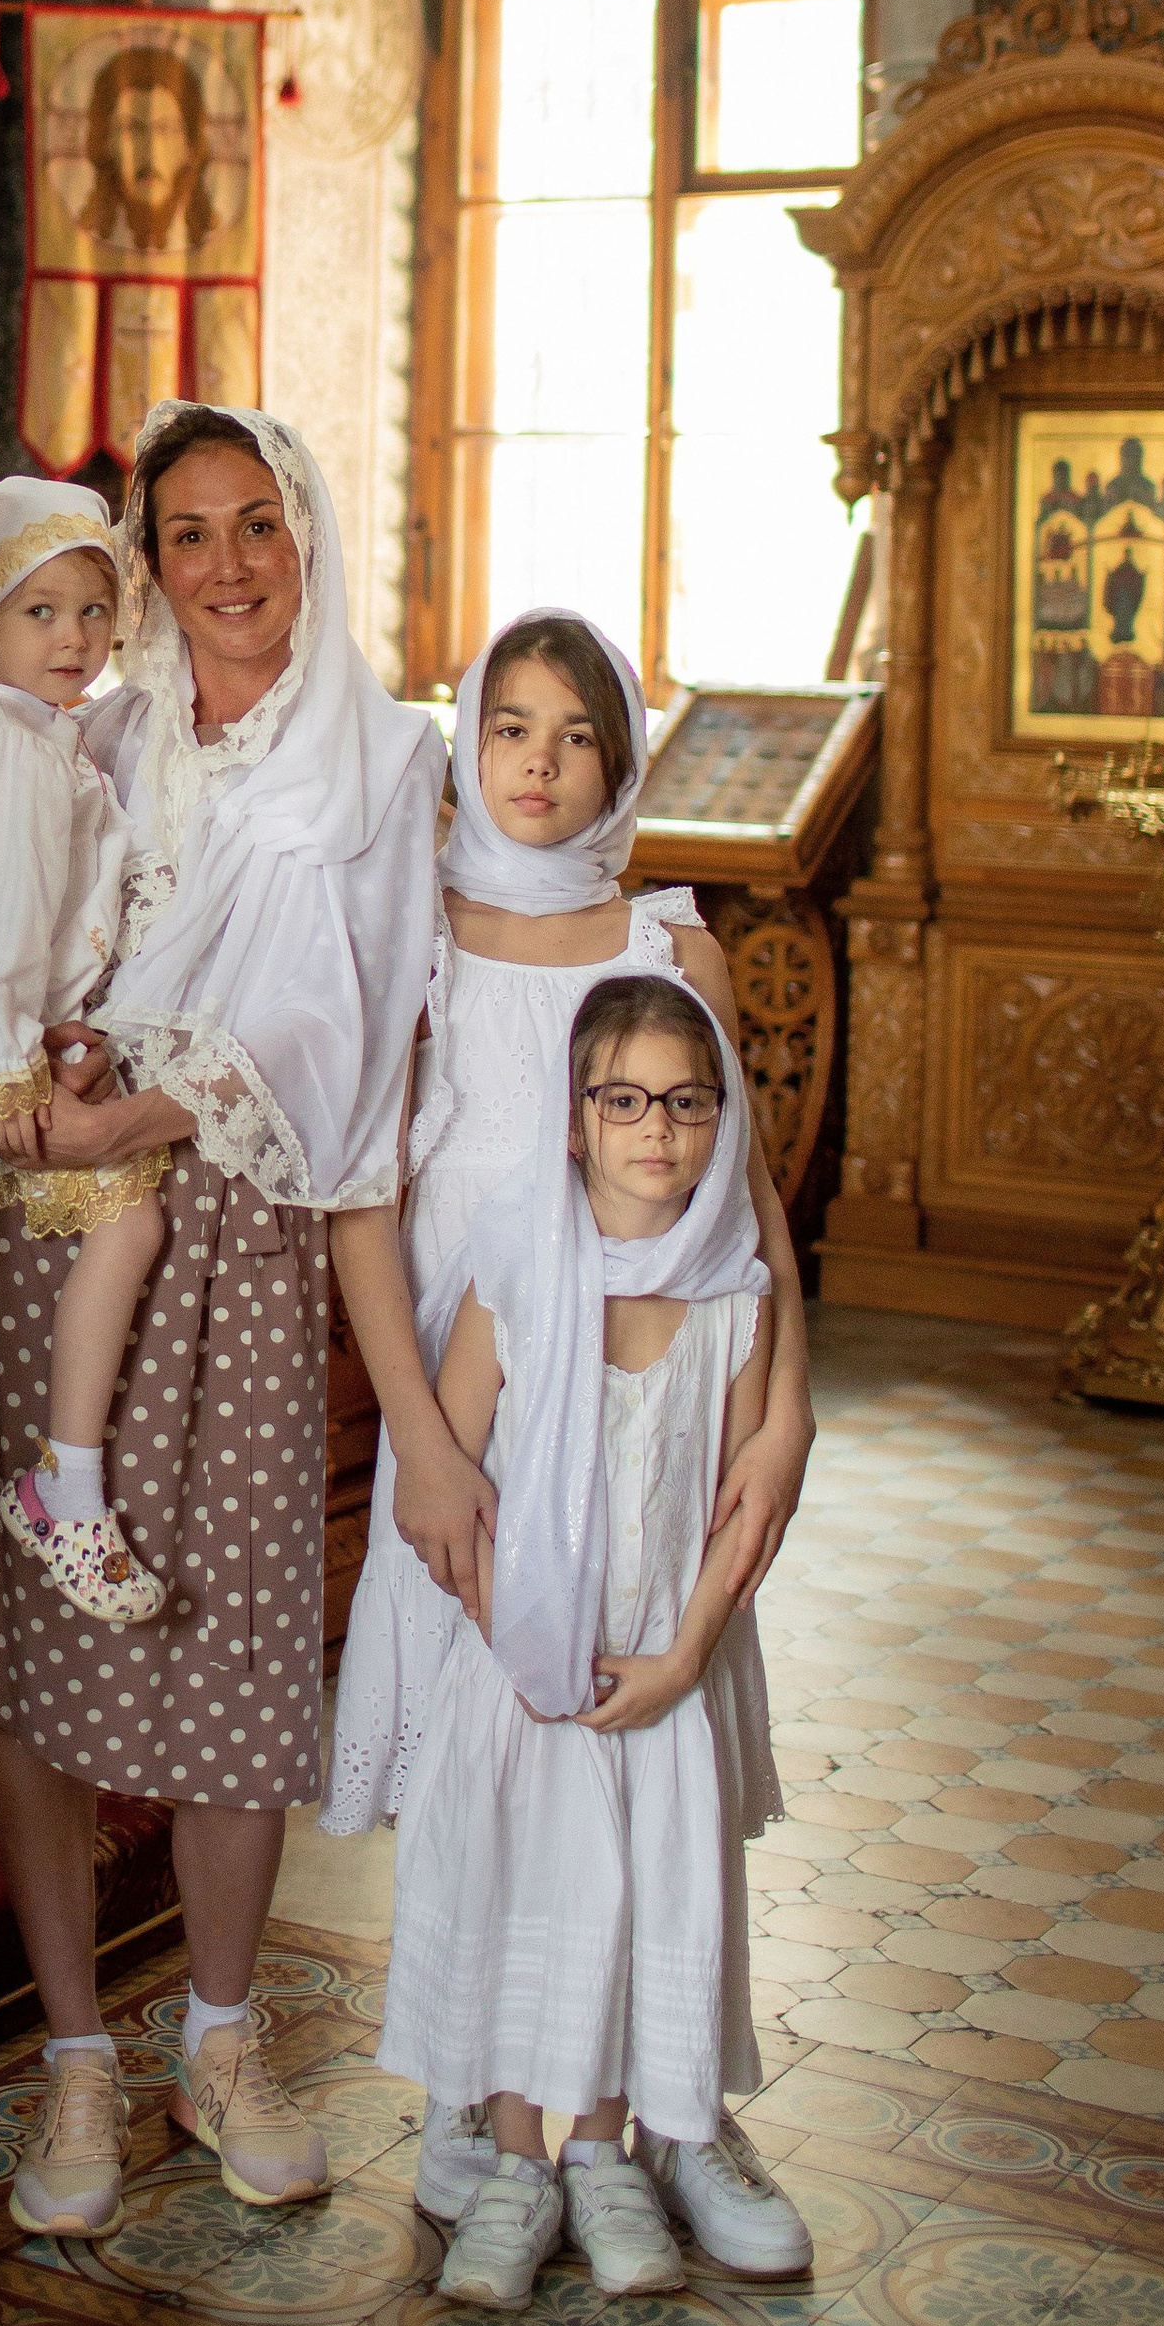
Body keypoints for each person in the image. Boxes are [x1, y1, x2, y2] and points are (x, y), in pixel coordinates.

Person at [0, 400, 445, 2245]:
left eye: (255, 524)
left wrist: (147, 1099)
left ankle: (221, 2039)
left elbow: (356, 1024)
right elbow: (13, 926)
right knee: (41, 1651)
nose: (225, 565)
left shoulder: (383, 760)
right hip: (56, 1221)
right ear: (144, 561)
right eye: (187, 533)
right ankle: (76, 2053)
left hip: (237, 1227)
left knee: (233, 1642)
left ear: (309, 536)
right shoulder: (93, 723)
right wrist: (47, 1078)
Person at [324, 608, 816, 2236]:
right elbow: (362, 1200)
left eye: (578, 733)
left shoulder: (670, 943)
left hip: (656, 1427)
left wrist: (789, 1405)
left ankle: (674, 2108)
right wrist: (424, 1440)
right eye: (511, 726)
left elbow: (750, 1201)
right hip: (469, 1419)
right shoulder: (415, 930)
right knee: (486, 1758)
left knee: (654, 1746)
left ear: (622, 760)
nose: (540, 763)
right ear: (468, 739)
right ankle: (480, 2086)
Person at [383, 971, 813, 2311]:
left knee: (634, 1901)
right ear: (573, 1119)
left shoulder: (735, 1295)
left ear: (722, 1120)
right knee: (526, 1896)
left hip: (659, 1676)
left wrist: (682, 1659)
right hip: (526, 1676)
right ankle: (517, 2166)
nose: (656, 1129)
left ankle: (606, 2157)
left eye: (686, 1102)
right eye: (622, 1100)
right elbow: (454, 1482)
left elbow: (737, 1510)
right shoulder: (515, 1272)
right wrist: (520, 1642)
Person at [0, 477, 165, 1625]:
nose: (74, 638)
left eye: (93, 612)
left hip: (18, 1035)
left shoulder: (18, 725)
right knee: (130, 1217)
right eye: (41, 611)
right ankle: (67, 1486)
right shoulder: (9, 744)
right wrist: (4, 1062)